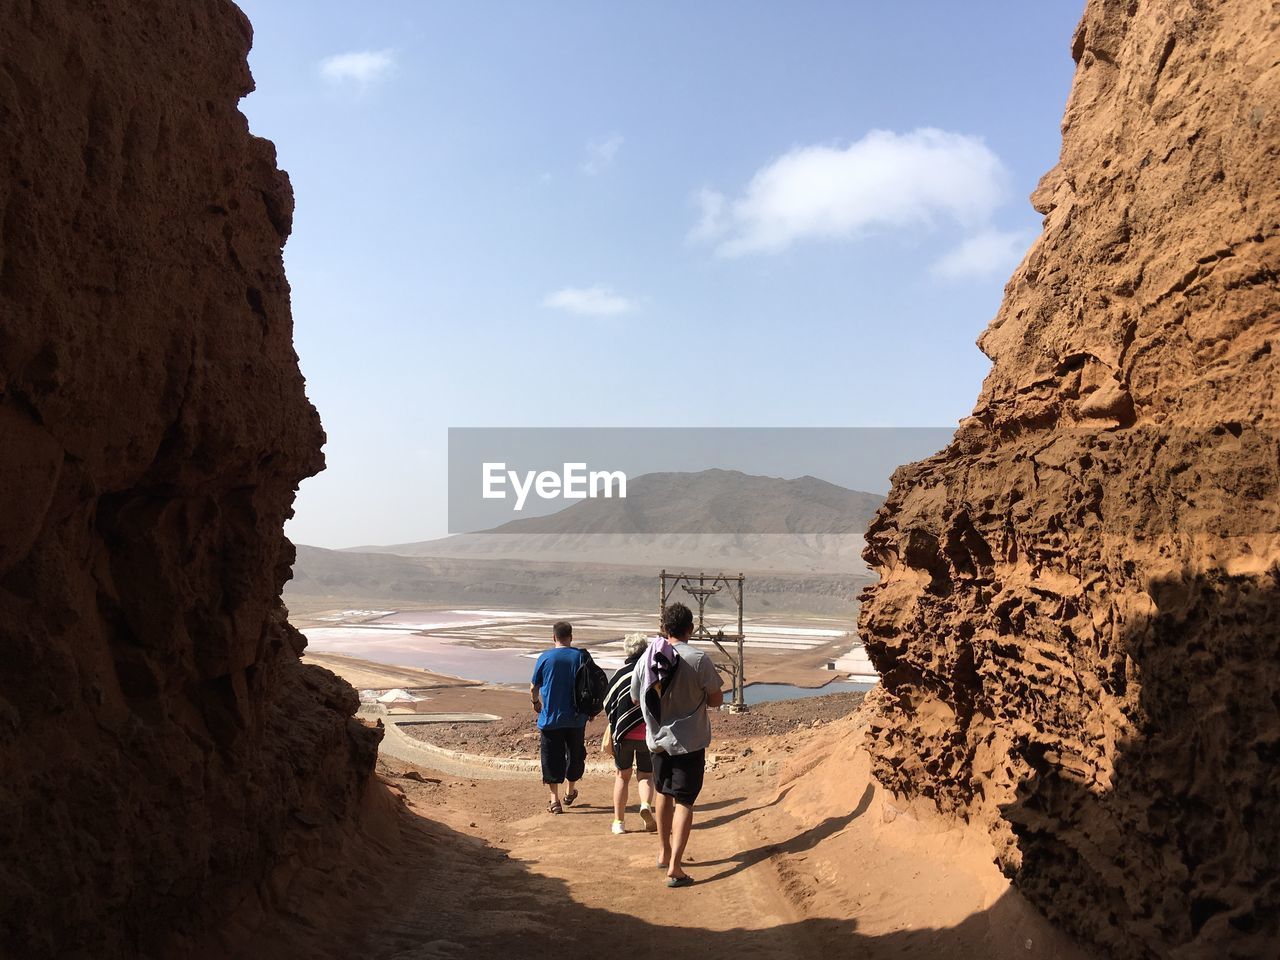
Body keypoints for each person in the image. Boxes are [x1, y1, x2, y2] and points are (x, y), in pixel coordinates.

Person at [631, 603, 724, 887]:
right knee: (685, 800)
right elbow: (716, 699)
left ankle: (663, 852)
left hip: (657, 741)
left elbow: (636, 697)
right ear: (690, 629)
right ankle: (675, 868)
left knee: (663, 793)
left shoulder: (646, 658)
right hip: (689, 742)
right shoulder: (698, 659)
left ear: (664, 628)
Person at [601, 632, 657, 835]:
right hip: (647, 735)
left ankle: (619, 822)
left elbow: (608, 703)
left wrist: (618, 722)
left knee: (622, 777)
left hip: (624, 735)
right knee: (646, 775)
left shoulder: (620, 674)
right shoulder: (652, 673)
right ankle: (644, 804)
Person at [530, 620, 588, 814]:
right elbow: (591, 685)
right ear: (571, 637)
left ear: (554, 637)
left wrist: (535, 703)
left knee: (552, 758)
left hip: (551, 718)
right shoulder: (581, 657)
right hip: (576, 718)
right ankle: (570, 792)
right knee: (575, 755)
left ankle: (555, 801)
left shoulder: (545, 658)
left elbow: (533, 687)